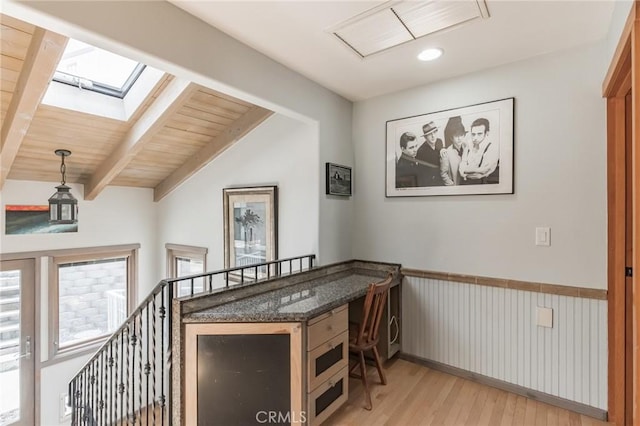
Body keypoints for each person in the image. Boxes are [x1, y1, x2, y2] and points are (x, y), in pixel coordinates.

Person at [458, 118, 499, 185]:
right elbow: (461, 168)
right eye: (473, 134)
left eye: (479, 134)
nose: (475, 138)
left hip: (482, 183)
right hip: (465, 183)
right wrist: (477, 170)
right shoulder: (469, 144)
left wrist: (468, 170)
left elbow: (484, 170)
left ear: (487, 133)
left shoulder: (491, 148)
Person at [415, 121, 444, 186]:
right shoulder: (421, 152)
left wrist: (443, 149)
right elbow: (421, 176)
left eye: (434, 132)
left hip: (442, 179)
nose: (433, 136)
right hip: (430, 183)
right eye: (429, 134)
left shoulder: (439, 141)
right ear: (425, 137)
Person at [440, 116, 466, 185]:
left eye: (461, 135)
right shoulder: (447, 153)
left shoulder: (467, 147)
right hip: (456, 186)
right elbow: (443, 174)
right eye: (456, 136)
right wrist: (452, 185)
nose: (459, 138)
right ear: (451, 138)